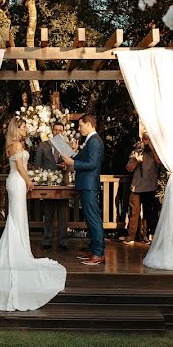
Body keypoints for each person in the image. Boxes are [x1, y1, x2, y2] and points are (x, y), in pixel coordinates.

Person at [0, 117, 67, 310]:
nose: (26, 129)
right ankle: (17, 252)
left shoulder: (11, 144)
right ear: (16, 129)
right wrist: (29, 182)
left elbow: (19, 166)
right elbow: (20, 168)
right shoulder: (17, 144)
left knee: (16, 217)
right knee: (16, 217)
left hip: (14, 181)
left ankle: (19, 249)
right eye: (23, 126)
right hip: (18, 181)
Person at [61, 114, 106, 266]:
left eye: (80, 125)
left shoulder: (94, 141)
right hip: (86, 185)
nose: (79, 129)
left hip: (89, 185)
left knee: (93, 219)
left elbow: (92, 164)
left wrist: (73, 163)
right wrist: (70, 161)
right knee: (90, 218)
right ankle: (94, 250)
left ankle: (99, 253)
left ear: (89, 124)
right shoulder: (91, 141)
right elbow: (84, 159)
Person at [35, 122, 69, 250]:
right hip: (48, 185)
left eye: (61, 130)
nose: (58, 132)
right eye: (56, 130)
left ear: (63, 132)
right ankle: (47, 241)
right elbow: (38, 165)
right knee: (48, 213)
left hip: (62, 185)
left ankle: (63, 242)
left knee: (62, 214)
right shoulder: (43, 145)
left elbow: (71, 166)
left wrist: (66, 166)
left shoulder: (65, 146)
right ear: (52, 131)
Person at [123, 133, 160, 245]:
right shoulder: (135, 152)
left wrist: (153, 148)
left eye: (149, 139)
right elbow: (128, 168)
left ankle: (146, 235)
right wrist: (136, 160)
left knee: (148, 213)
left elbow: (160, 163)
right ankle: (131, 235)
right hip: (136, 187)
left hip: (150, 186)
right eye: (145, 139)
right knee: (134, 212)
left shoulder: (155, 153)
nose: (146, 141)